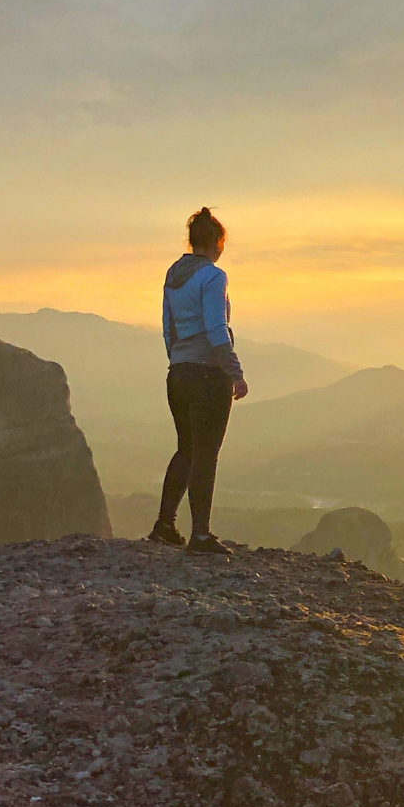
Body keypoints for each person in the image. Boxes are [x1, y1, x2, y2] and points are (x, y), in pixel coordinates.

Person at [146, 207, 248, 555]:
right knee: (207, 454)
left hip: (179, 374)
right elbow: (216, 329)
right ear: (218, 242)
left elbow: (167, 328)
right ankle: (201, 535)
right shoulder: (213, 277)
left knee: (186, 449)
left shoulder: (174, 275)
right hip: (207, 374)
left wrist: (177, 361)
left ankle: (164, 524)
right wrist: (235, 373)